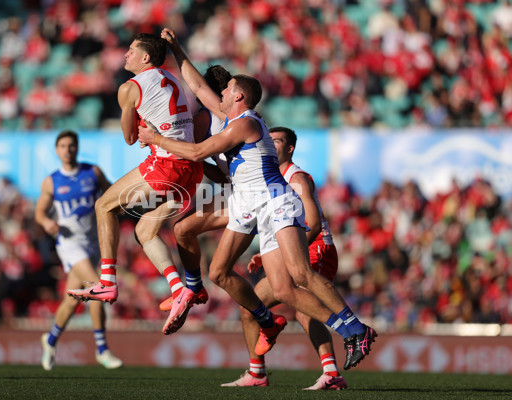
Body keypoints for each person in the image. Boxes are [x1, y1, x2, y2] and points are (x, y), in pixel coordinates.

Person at [139, 28, 377, 369]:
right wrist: (177, 48)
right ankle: (267, 320)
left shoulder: (245, 124)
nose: (219, 92)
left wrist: (156, 138)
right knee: (225, 274)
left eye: (227, 88)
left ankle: (355, 330)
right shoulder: (228, 118)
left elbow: (197, 151)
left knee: (299, 276)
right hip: (247, 206)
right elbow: (197, 85)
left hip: (274, 201)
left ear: (238, 96)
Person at [67, 33, 204, 336]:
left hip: (167, 163)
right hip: (192, 167)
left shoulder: (129, 88)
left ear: (145, 58)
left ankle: (106, 282)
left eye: (130, 51)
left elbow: (130, 139)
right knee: (145, 231)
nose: (125, 55)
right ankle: (179, 288)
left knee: (104, 206)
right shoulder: (171, 77)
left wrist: (143, 126)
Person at [222, 127, 347, 390]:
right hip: (290, 249)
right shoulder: (268, 178)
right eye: (269, 141)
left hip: (315, 247)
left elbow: (312, 225)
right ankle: (257, 373)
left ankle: (334, 368)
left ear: (289, 149)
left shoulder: (296, 177)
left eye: (277, 141)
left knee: (304, 308)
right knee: (250, 307)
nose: (272, 145)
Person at [35, 130, 122, 370]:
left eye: (71, 145)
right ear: (57, 150)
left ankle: (50, 339)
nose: (67, 149)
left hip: (94, 242)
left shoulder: (92, 172)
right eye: (63, 145)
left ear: (77, 147)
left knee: (72, 301)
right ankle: (102, 349)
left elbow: (112, 193)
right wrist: (46, 222)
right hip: (70, 244)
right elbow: (39, 212)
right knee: (99, 288)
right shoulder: (51, 181)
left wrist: (122, 209)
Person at [158, 64, 233, 312]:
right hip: (240, 191)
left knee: (183, 231)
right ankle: (194, 288)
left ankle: (193, 287)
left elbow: (192, 154)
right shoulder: (243, 117)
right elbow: (217, 171)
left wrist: (156, 139)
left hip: (250, 194)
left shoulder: (207, 117)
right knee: (219, 272)